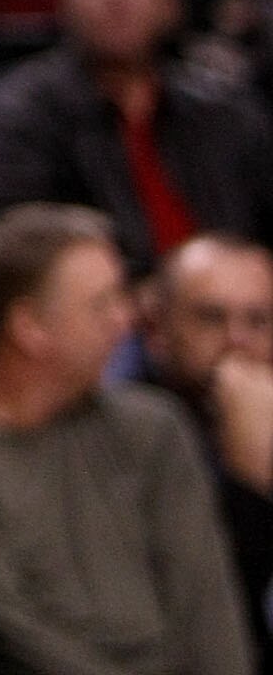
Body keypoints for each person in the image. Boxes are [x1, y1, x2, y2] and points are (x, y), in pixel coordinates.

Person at [0, 203, 249, 674]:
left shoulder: (153, 430)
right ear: (29, 327)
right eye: (103, 303)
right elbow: (14, 636)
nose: (127, 319)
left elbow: (208, 612)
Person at [0, 0, 273, 275]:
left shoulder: (224, 113)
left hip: (226, 310)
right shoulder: (18, 115)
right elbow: (18, 252)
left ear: (170, 3)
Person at [140, 234, 273, 663]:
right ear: (158, 328)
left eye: (258, 320)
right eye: (211, 318)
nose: (237, 340)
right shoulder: (129, 433)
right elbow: (211, 617)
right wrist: (248, 481)